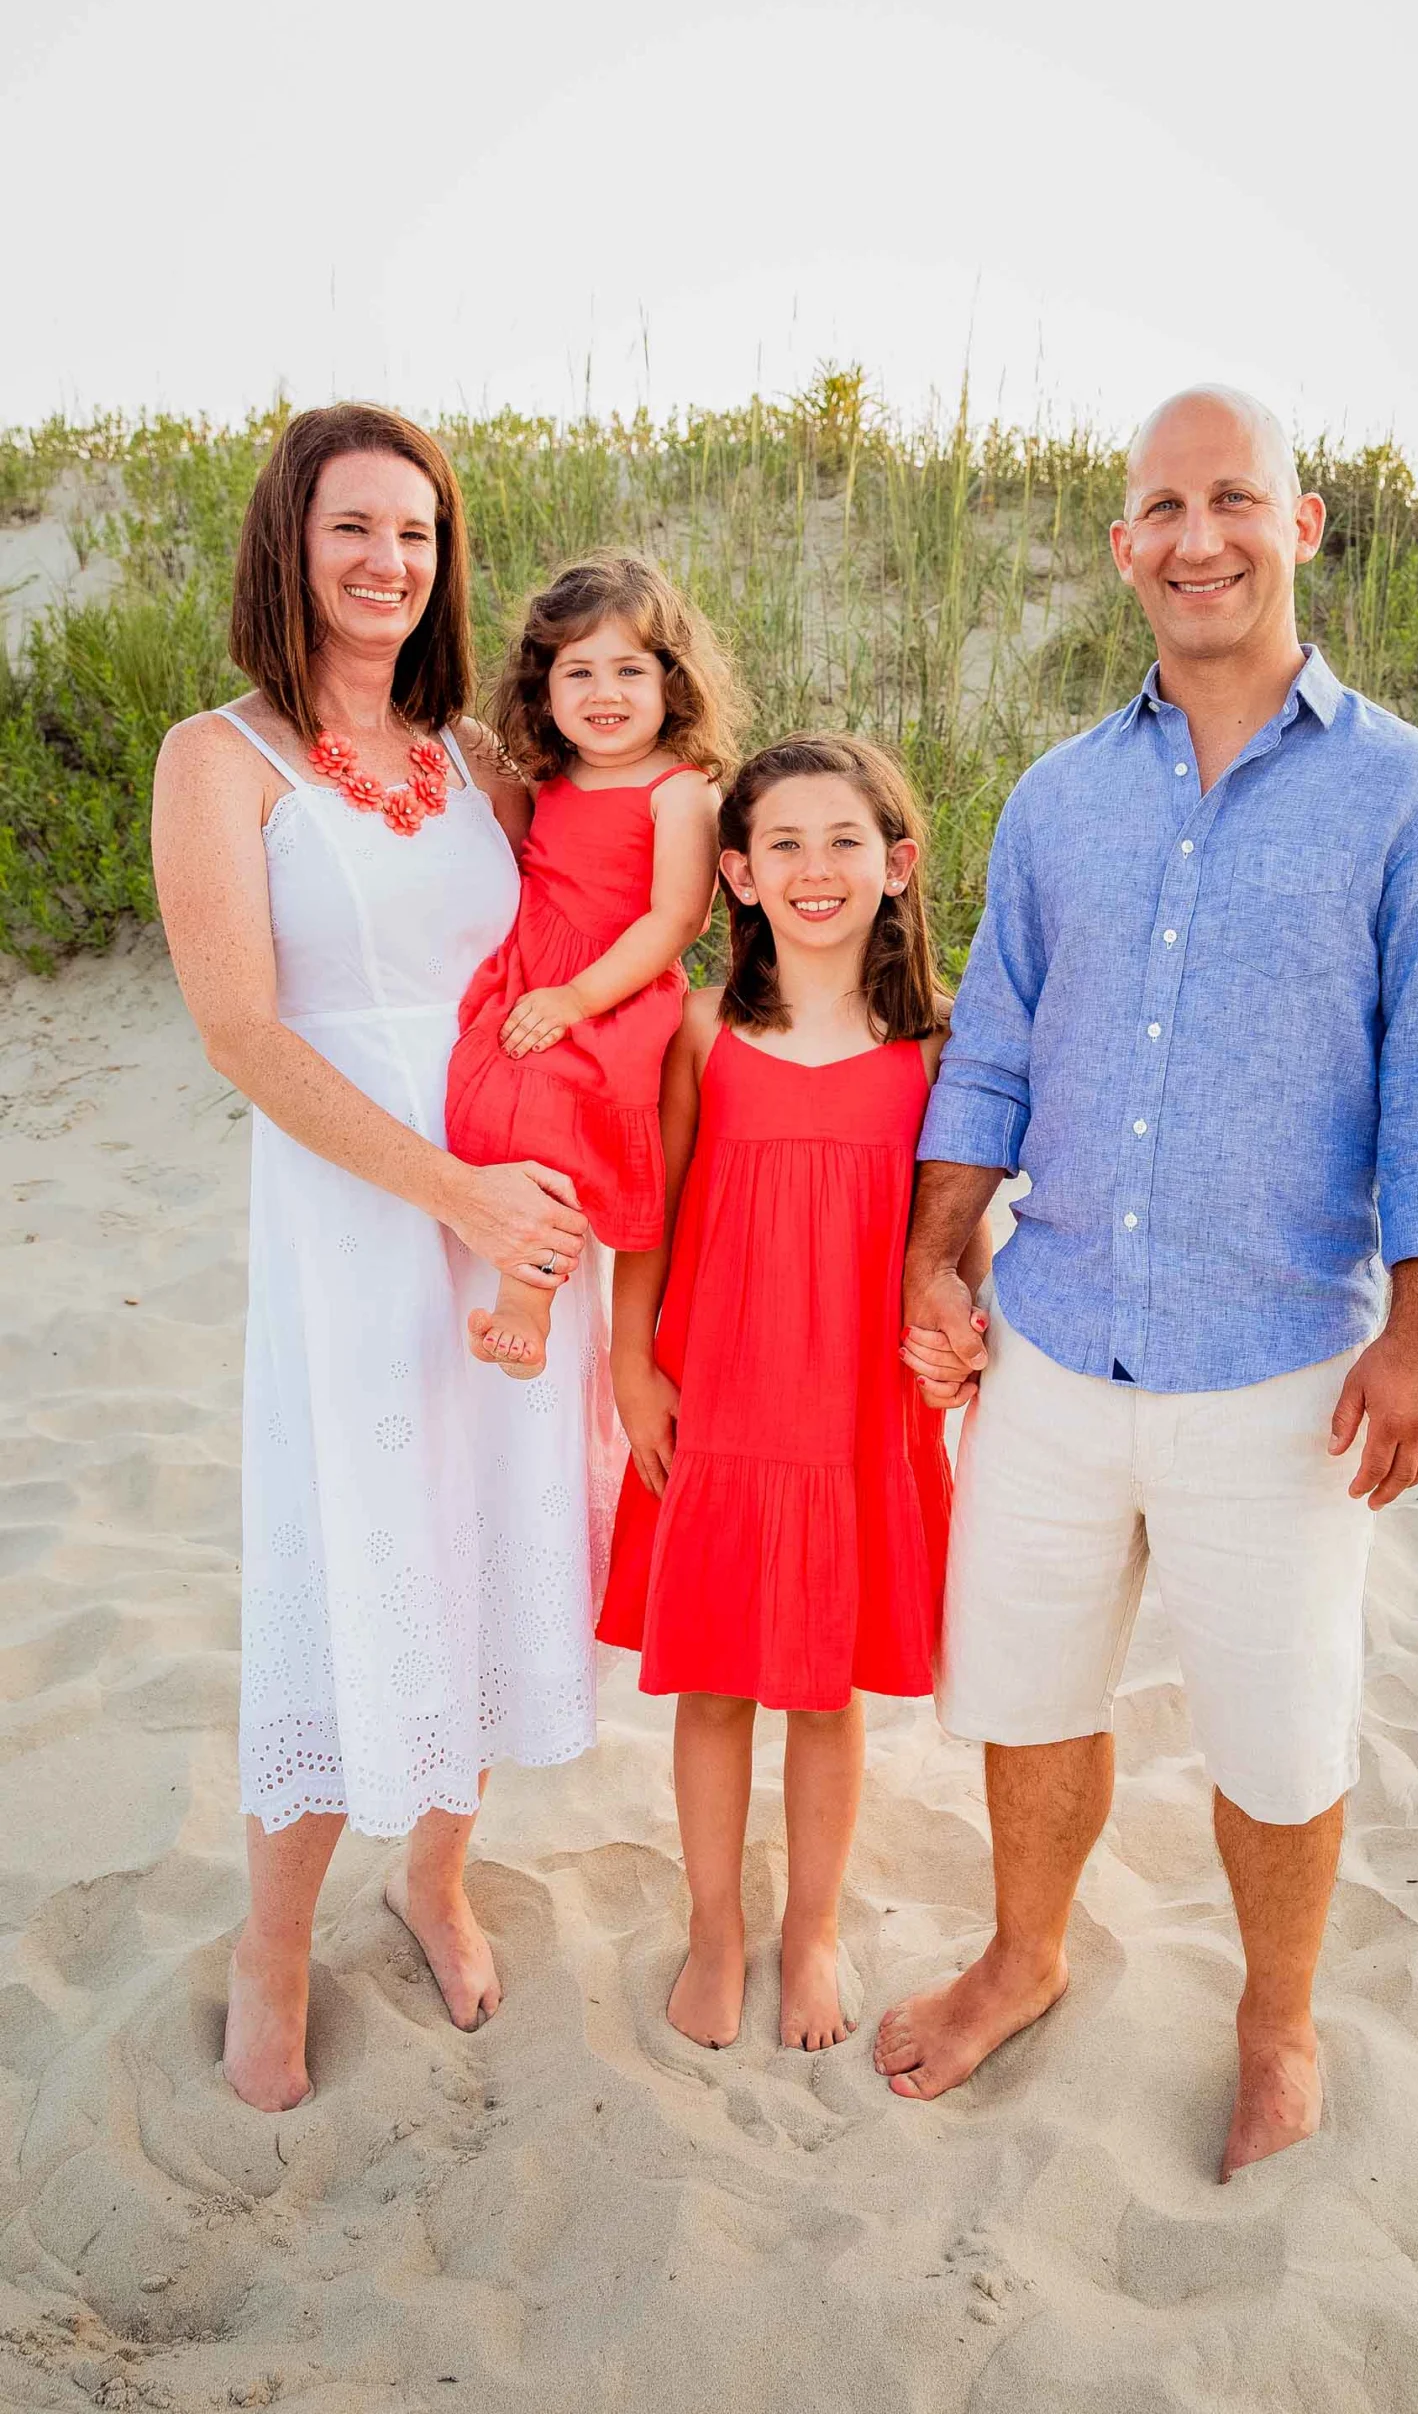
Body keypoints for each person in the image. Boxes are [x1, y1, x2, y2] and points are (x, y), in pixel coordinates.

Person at [880, 386, 1418, 2176]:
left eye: (1236, 499)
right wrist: (940, 1243)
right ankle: (1025, 1954)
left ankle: (1277, 2018)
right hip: (1059, 1342)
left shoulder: (1411, 800)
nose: (1198, 536)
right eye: (1164, 505)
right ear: (1122, 546)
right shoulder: (1064, 798)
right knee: (1028, 1686)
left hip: (1279, 1367)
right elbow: (990, 1049)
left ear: (1302, 528)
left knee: (1279, 1727)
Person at [151, 404, 613, 2114]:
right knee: (350, 1557)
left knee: (490, 1532)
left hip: (522, 1229)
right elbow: (241, 1035)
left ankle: (435, 1869)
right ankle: (274, 1937)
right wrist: (456, 1196)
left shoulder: (483, 764)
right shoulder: (222, 761)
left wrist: (545, 1218)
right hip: (363, 1224)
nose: (388, 564)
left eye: (416, 534)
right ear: (291, 541)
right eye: (355, 528)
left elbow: (601, 954)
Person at [597, 737, 985, 2052]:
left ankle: (810, 1931)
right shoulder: (704, 1030)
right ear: (740, 876)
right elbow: (647, 1211)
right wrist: (631, 1360)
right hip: (723, 1401)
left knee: (827, 1692)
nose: (817, 868)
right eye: (786, 845)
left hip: (858, 1414)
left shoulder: (935, 1047)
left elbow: (954, 1245)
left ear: (898, 865)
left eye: (845, 841)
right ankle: (719, 1929)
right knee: (712, 1684)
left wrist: (960, 1336)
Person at [445, 553, 745, 1377]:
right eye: (577, 672)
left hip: (611, 989)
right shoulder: (553, 776)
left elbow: (677, 918)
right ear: (544, 691)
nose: (603, 693)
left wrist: (577, 998)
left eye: (627, 670)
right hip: (533, 971)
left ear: (670, 683)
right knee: (489, 1106)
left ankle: (525, 1303)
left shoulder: (681, 790)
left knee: (553, 1126)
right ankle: (488, 1257)